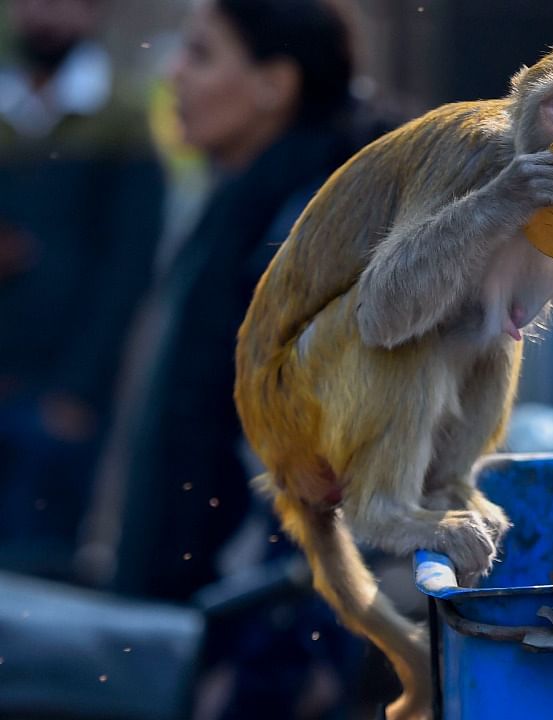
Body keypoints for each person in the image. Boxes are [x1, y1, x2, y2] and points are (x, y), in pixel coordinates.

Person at [75, 1, 390, 715]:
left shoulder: (311, 238)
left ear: (273, 85)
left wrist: (269, 664)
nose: (174, 75)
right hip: (212, 621)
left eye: (201, 54)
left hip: (261, 643)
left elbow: (318, 478)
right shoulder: (240, 204)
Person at [0, 0, 164, 581]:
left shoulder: (120, 118)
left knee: (38, 570)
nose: (43, 15)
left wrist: (79, 392)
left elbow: (127, 271)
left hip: (59, 393)